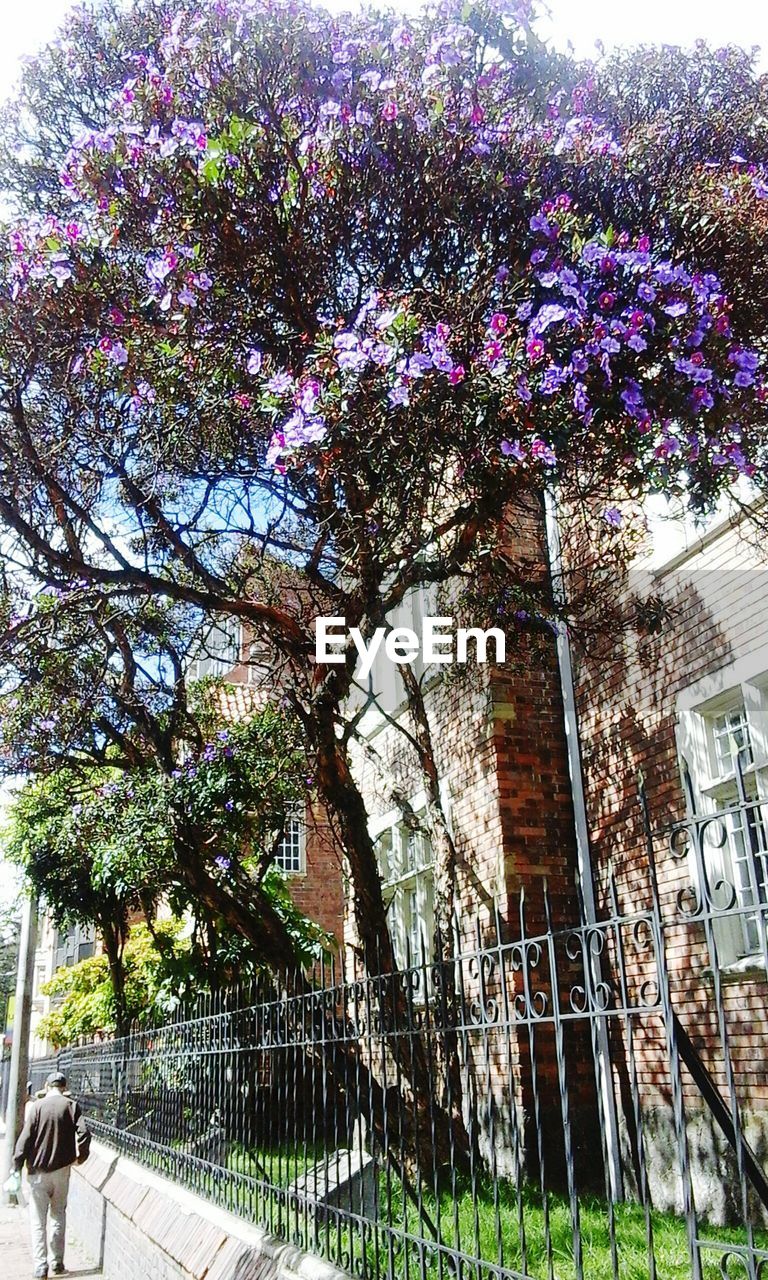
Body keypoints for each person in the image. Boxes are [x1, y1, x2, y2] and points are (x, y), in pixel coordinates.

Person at [12, 1070, 91, 1279]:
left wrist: (17, 1165)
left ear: (47, 1087)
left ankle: (40, 1267)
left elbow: (25, 1139)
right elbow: (84, 1133)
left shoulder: (37, 1107)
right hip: (62, 1171)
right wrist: (79, 1157)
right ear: (64, 1088)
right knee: (58, 1214)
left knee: (38, 1220)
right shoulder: (71, 1106)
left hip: (38, 1172)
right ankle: (57, 1263)